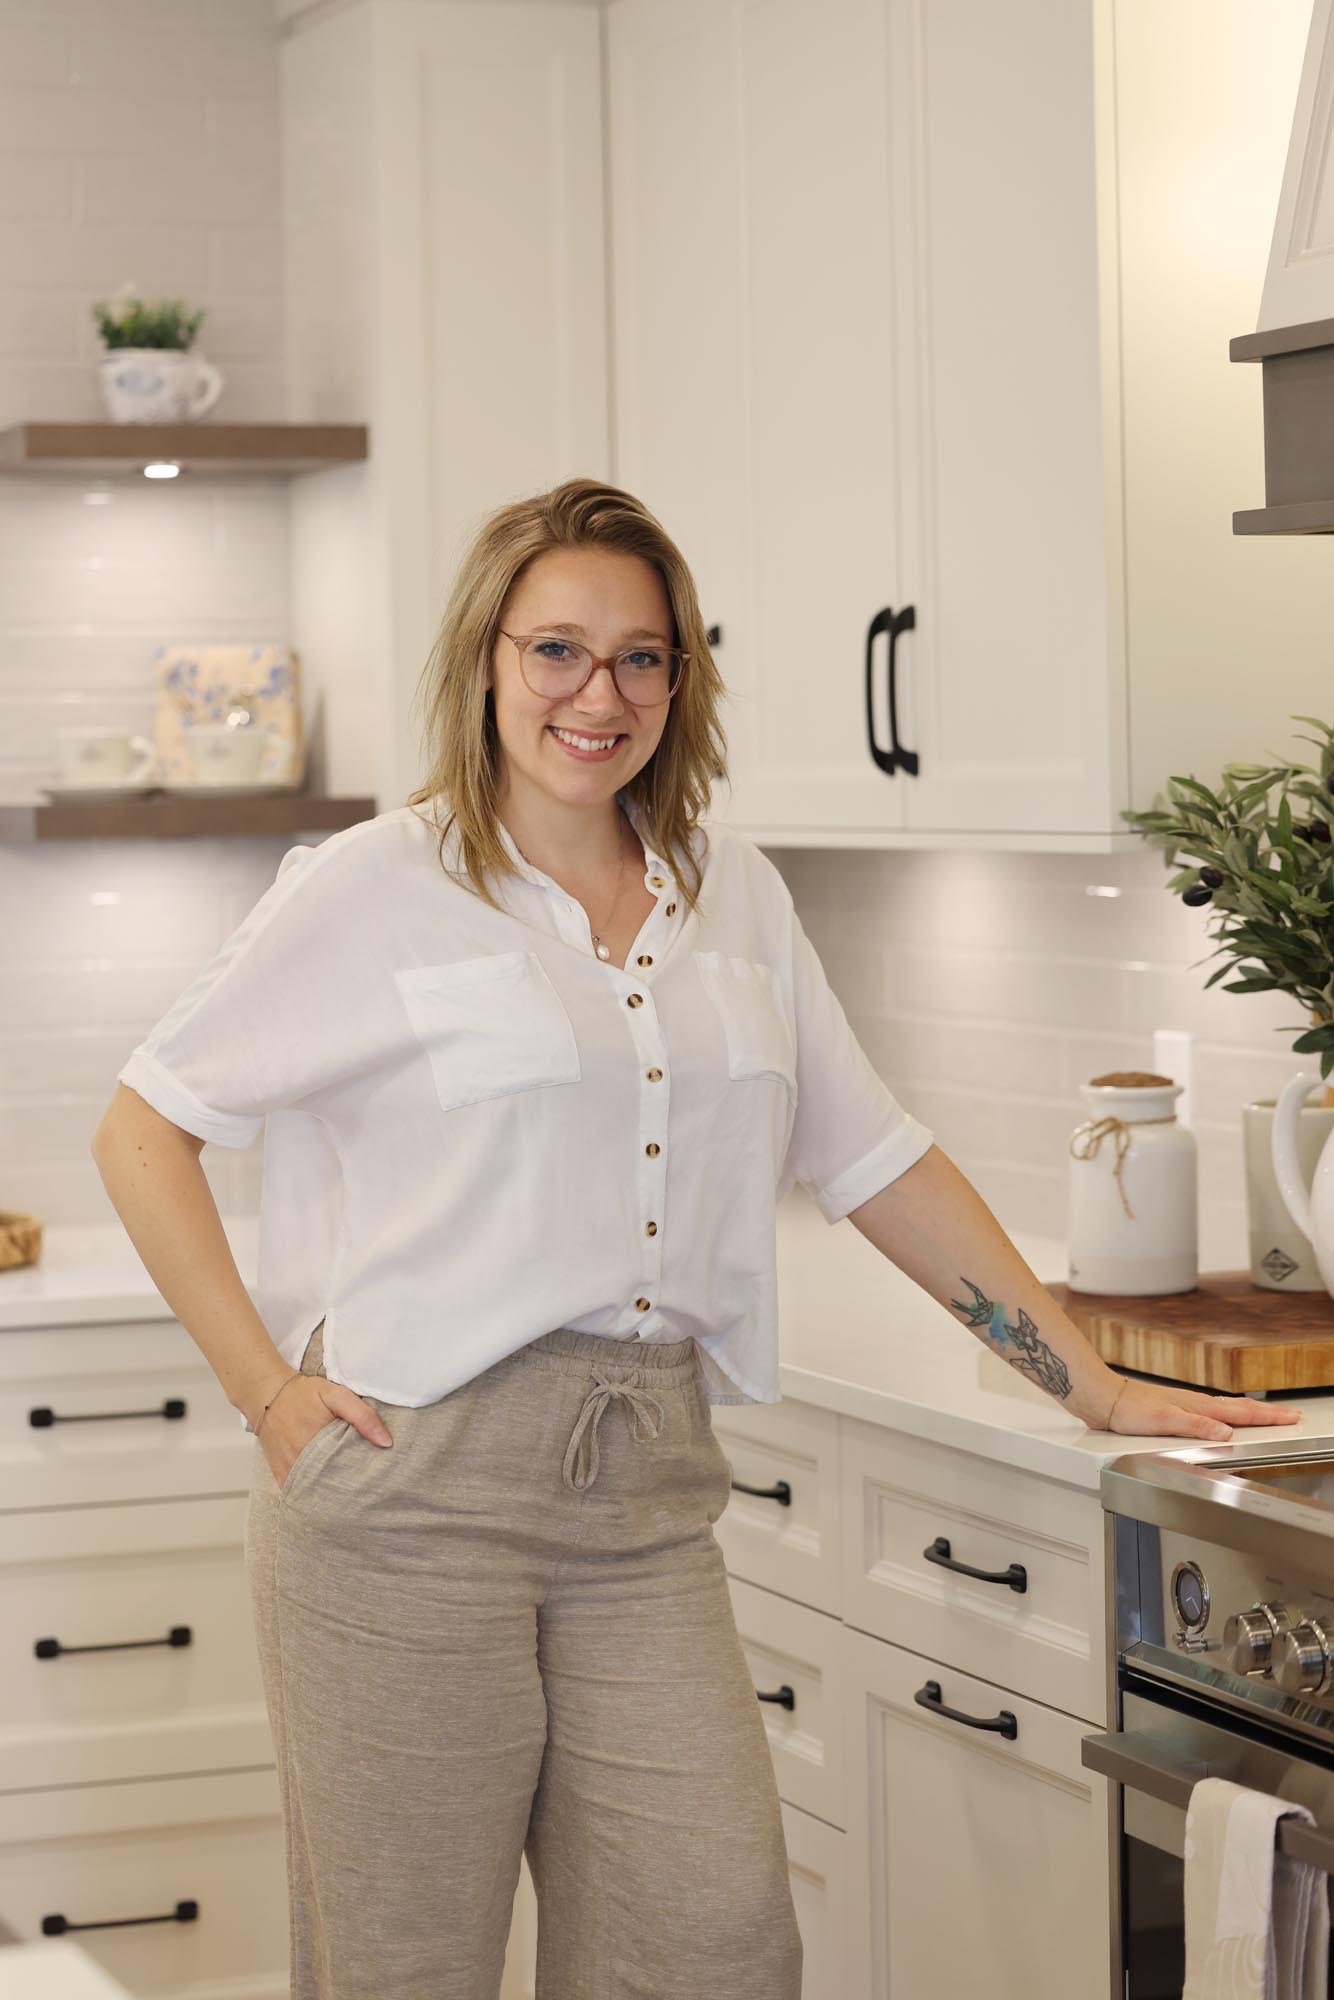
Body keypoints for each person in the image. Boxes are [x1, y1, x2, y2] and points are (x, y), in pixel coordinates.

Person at [91, 477, 1303, 1999]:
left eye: (642, 657)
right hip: (410, 1498)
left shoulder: (736, 896)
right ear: (485, 663)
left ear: (681, 677)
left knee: (715, 1940)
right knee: (408, 1968)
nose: (598, 695)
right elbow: (145, 1128)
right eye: (556, 651)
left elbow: (875, 1161)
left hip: (647, 1498)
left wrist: (1090, 1384)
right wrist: (269, 1392)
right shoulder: (377, 885)